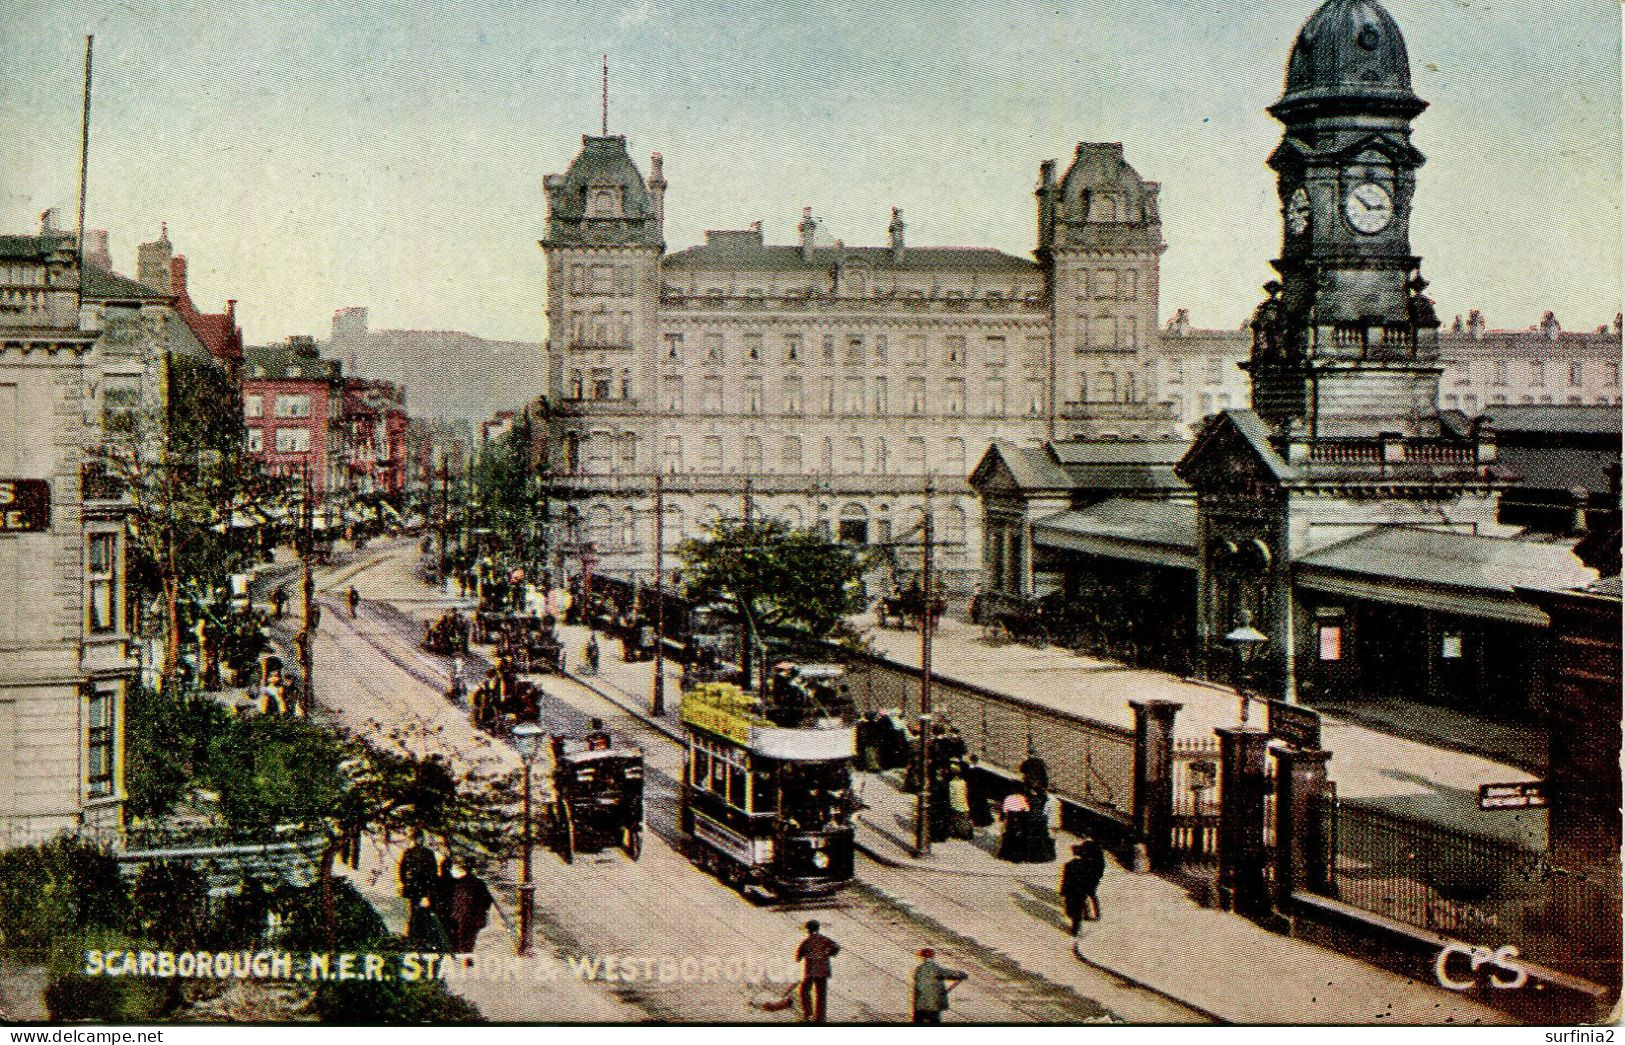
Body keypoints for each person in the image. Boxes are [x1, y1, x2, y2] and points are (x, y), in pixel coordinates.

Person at [793, 919, 839, 1023]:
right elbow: (836, 947)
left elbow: (797, 957)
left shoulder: (806, 942)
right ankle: (820, 1018)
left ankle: (808, 1014)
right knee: (821, 994)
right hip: (823, 972)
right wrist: (828, 954)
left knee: (804, 991)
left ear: (808, 930)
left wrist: (802, 956)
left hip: (811, 972)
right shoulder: (824, 939)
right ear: (818, 928)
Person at [444, 864, 494, 954]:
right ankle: (465, 956)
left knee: (458, 938)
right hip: (471, 916)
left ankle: (460, 955)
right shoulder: (478, 883)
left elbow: (450, 899)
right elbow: (487, 900)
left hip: (459, 915)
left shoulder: (457, 883)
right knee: (468, 940)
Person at [398, 830, 441, 931]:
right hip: (416, 887)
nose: (418, 841)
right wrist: (405, 883)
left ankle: (418, 931)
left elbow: (433, 871)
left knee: (421, 912)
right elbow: (402, 870)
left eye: (419, 838)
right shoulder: (410, 853)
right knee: (415, 912)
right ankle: (414, 932)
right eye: (417, 838)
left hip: (421, 887)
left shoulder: (424, 853)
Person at [1060, 839, 1107, 933]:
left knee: (1088, 896)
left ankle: (1093, 914)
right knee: (1086, 897)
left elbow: (1099, 869)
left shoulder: (1093, 853)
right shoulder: (1093, 851)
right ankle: (1089, 914)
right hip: (1088, 879)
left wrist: (1095, 878)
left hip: (1089, 879)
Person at [911, 948, 967, 1024]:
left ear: (921, 957)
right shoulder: (935, 968)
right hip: (933, 1004)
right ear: (933, 956)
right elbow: (948, 973)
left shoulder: (918, 969)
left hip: (919, 1004)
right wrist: (961, 974)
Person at [996, 788, 1030, 862]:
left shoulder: (1008, 798)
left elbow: (1005, 810)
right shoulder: (1022, 798)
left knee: (1008, 836)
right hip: (1019, 817)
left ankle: (1004, 854)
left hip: (1010, 817)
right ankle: (1015, 856)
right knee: (1017, 837)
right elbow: (1027, 809)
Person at [945, 768, 974, 840]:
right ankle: (967, 834)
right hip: (964, 805)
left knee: (956, 820)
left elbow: (951, 795)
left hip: (955, 805)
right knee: (964, 820)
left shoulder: (951, 783)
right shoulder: (963, 782)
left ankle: (959, 834)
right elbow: (966, 793)